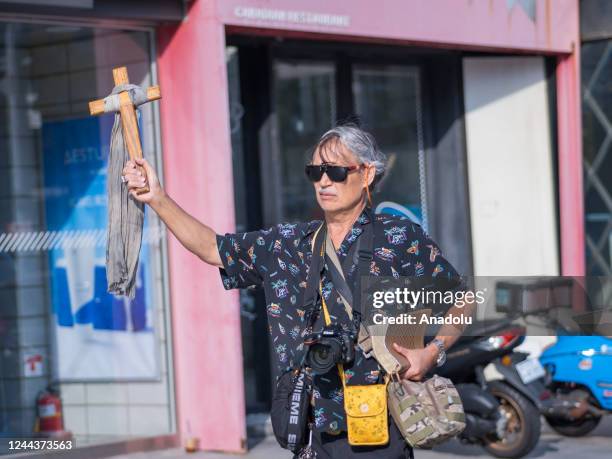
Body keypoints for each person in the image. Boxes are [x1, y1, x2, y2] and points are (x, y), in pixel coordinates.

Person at [122, 124, 474, 458]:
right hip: (311, 429)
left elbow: (464, 300)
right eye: (315, 172)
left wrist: (433, 351)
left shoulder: (399, 238)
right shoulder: (289, 244)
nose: (323, 181)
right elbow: (213, 249)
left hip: (383, 426)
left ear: (366, 174)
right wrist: (157, 198)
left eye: (336, 172)